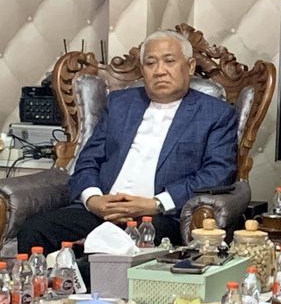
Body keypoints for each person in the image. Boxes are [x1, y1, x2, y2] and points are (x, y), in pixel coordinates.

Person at [16, 30, 238, 255]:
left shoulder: (215, 113)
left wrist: (156, 203)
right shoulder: (120, 104)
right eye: (150, 63)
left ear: (189, 66)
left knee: (120, 249)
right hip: (102, 211)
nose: (159, 71)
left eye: (169, 61)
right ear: (143, 69)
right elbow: (88, 160)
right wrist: (93, 199)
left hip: (157, 217)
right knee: (35, 231)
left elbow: (217, 172)